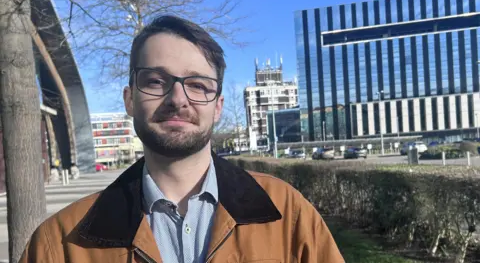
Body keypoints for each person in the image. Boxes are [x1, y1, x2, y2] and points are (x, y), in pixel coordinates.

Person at [20, 15, 344, 263]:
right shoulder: (59, 244)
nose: (178, 98)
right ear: (129, 99)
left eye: (198, 85)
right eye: (156, 80)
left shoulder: (290, 216)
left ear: (218, 107)